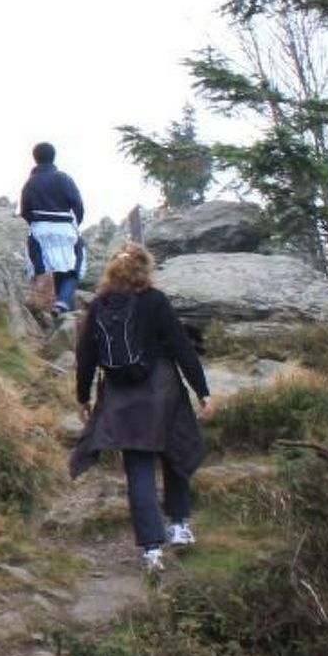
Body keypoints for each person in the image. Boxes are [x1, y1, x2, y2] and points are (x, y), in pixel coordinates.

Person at [70, 243, 214, 576]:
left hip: (121, 397)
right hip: (162, 387)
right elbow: (181, 347)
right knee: (176, 450)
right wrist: (203, 392)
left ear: (112, 272)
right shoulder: (156, 301)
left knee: (139, 470)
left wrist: (83, 398)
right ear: (145, 270)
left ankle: (151, 550)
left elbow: (86, 357)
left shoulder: (99, 306)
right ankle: (179, 524)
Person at [19, 141, 85, 315]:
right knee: (72, 269)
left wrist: (36, 224)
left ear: (35, 158)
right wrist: (76, 224)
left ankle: (48, 305)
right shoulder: (64, 178)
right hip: (65, 229)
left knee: (49, 269)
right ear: (53, 156)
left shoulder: (30, 183)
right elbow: (78, 205)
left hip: (40, 230)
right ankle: (63, 304)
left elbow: (25, 211)